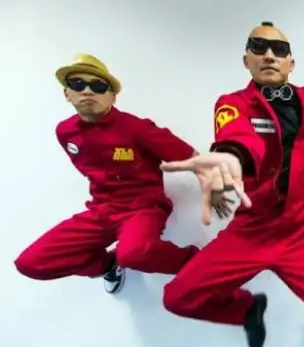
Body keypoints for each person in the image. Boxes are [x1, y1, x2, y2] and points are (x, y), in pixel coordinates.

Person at [160, 21, 304, 347]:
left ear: (291, 63)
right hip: (253, 231)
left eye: (279, 50)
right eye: (259, 47)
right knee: (177, 298)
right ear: (246, 60)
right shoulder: (232, 104)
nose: (269, 55)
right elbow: (239, 139)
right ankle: (247, 309)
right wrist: (231, 159)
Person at [14, 54, 210, 294]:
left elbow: (193, 158)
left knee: (134, 253)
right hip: (102, 210)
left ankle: (200, 262)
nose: (87, 91)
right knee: (31, 263)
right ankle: (108, 264)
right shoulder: (65, 132)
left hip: (142, 208)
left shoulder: (136, 128)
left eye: (98, 86)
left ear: (112, 96)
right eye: (78, 84)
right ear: (67, 93)